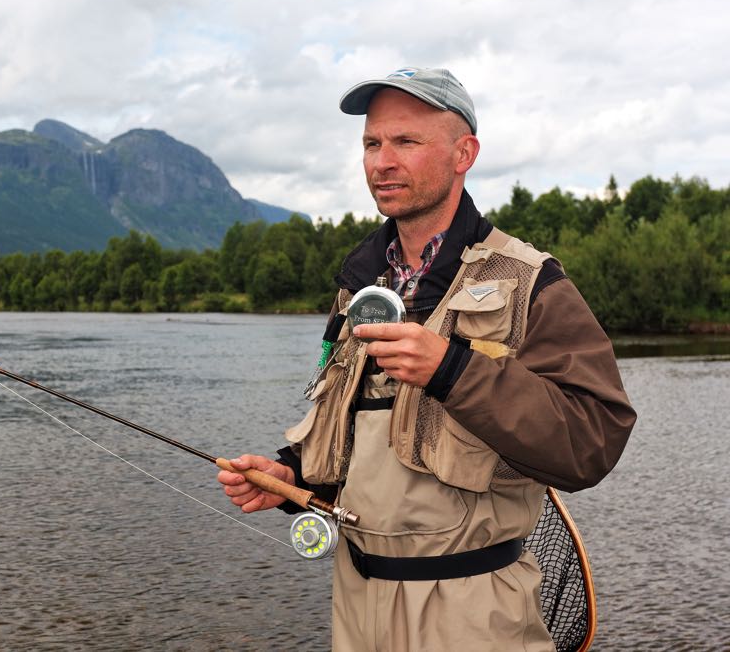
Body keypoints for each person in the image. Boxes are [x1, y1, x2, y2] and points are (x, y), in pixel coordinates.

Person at [217, 67, 636, 651]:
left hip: (475, 610)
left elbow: (592, 442)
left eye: (406, 142)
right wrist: (294, 476)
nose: (381, 161)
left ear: (464, 153)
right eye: (371, 143)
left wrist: (453, 370)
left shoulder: (530, 280)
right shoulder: (358, 285)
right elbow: (356, 431)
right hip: (356, 603)